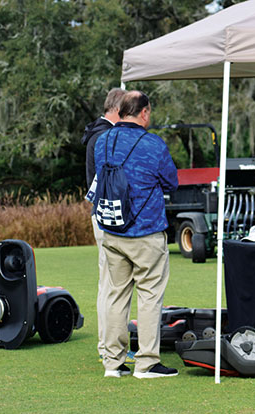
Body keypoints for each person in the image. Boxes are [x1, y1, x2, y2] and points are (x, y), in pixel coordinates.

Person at [94, 90, 179, 378]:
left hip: (112, 230)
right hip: (145, 232)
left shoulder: (103, 140)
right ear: (143, 112)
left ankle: (113, 363)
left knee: (116, 297)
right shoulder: (153, 144)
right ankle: (146, 362)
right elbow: (171, 182)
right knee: (149, 296)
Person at [82, 88, 126, 363]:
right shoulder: (103, 137)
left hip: (101, 214)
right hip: (107, 216)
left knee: (108, 282)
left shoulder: (97, 133)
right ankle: (107, 346)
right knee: (110, 284)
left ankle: (108, 343)